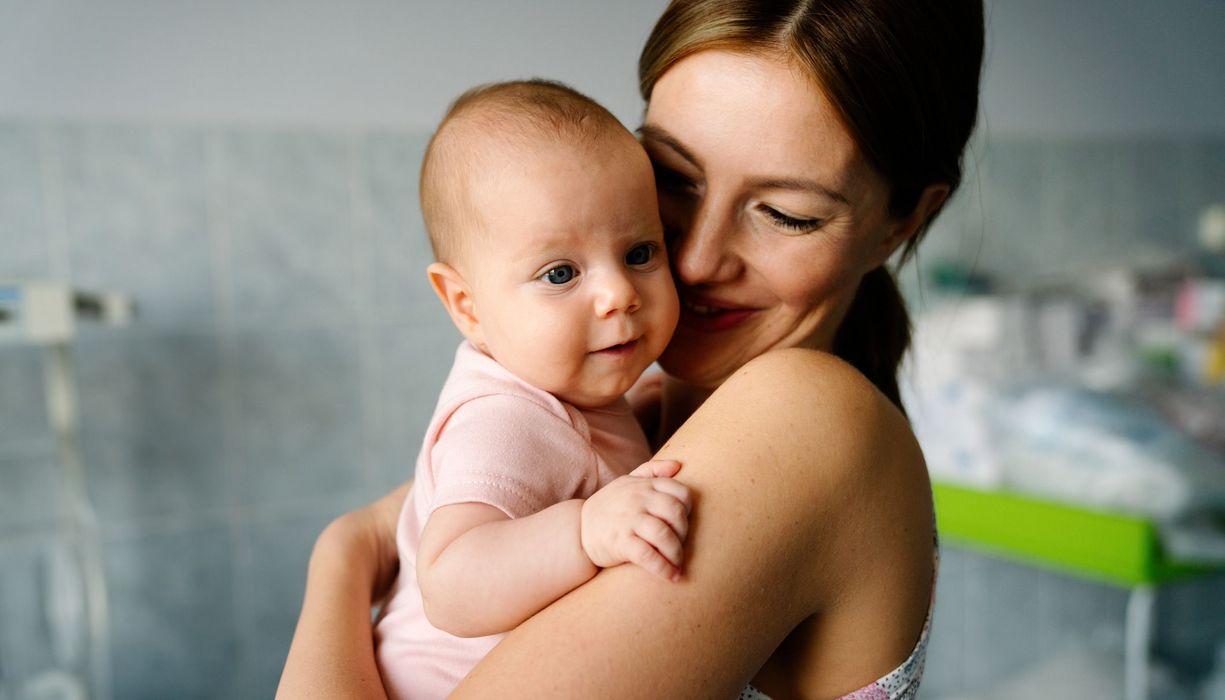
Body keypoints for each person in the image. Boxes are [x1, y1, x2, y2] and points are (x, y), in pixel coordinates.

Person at [278, 0, 985, 697]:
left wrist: (341, 559)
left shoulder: (804, 419)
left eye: (785, 214)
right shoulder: (612, 417)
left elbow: (393, 546)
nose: (700, 258)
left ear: (902, 222)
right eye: (674, 177)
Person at [373, 80, 690, 699]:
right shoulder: (504, 420)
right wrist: (585, 530)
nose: (618, 293)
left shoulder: (564, 395)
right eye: (561, 272)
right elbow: (452, 583)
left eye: (640, 252)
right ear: (466, 304)